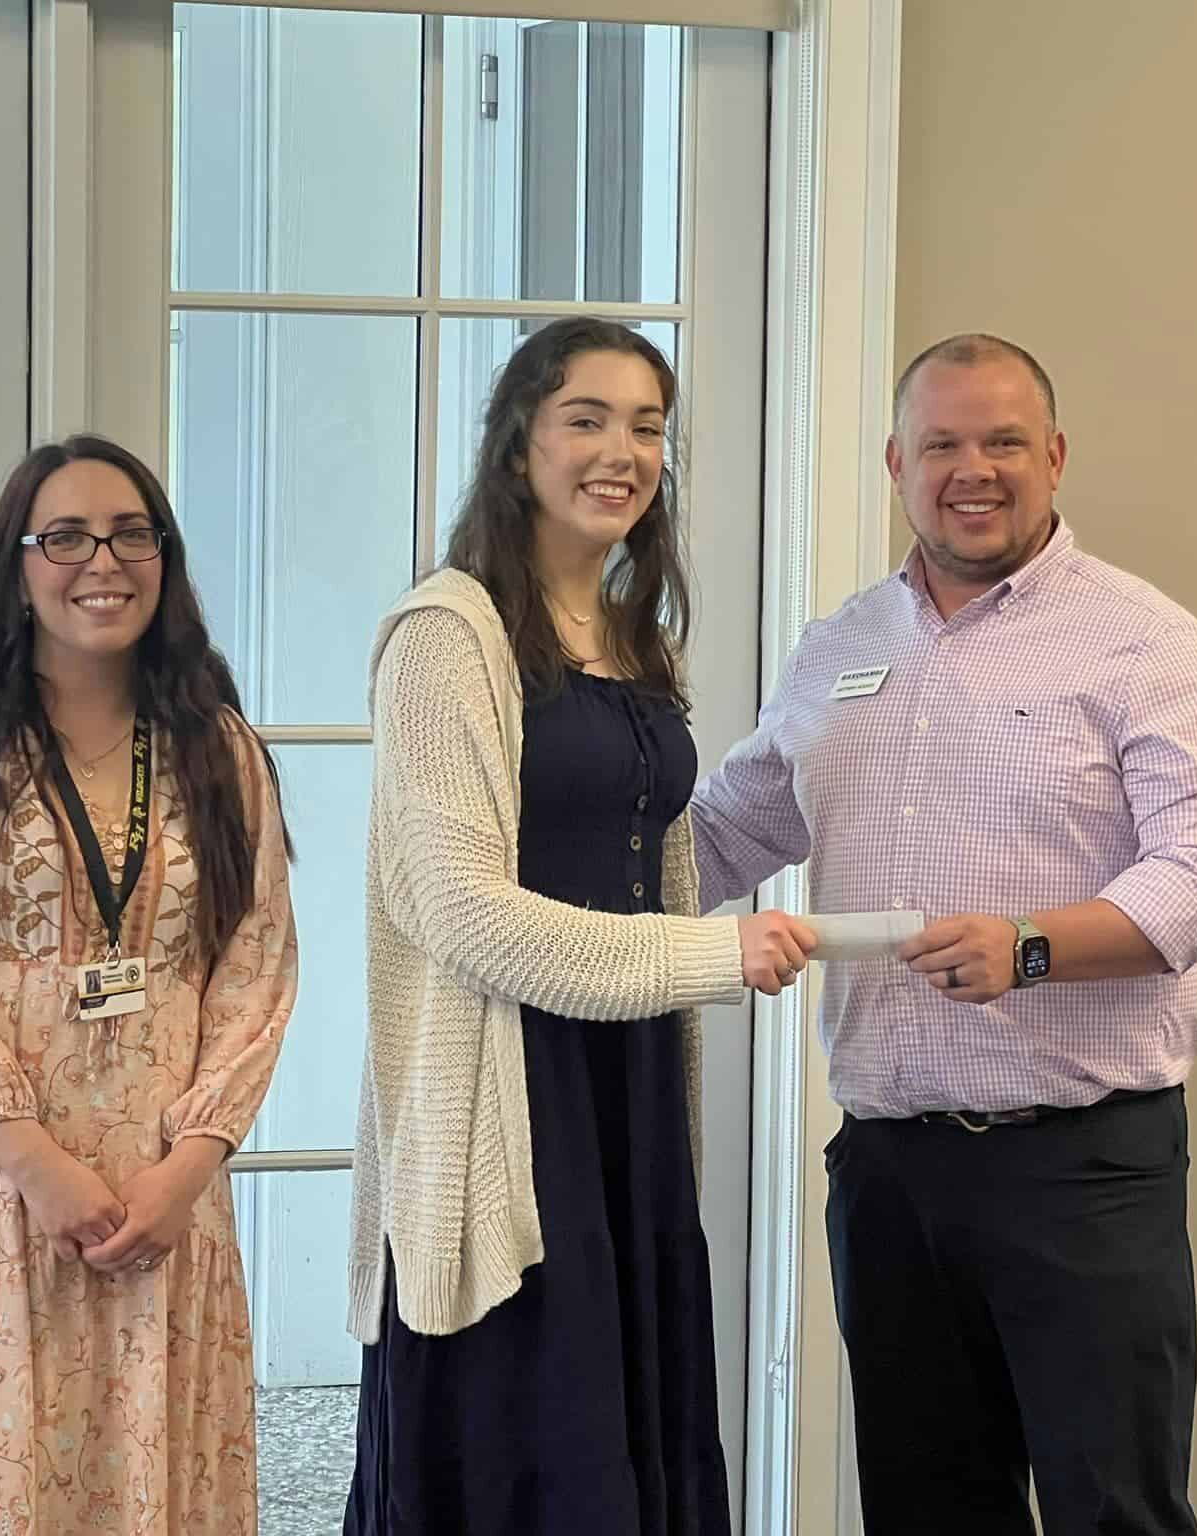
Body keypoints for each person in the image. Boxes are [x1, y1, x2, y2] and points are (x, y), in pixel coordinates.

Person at [691, 333, 1197, 1534]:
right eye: (944, 443)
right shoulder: (840, 645)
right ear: (897, 463)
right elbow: (731, 828)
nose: (975, 469)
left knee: (1114, 1509)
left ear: (1053, 458)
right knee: (926, 1507)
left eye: (1004, 441)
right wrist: (537, 892)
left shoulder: (1146, 642)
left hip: (1082, 1173)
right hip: (891, 1171)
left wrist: (1031, 947)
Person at [342, 317, 816, 1536]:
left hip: (629, 1087)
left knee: (628, 1445)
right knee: (526, 1456)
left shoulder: (633, 639)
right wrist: (716, 955)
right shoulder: (448, 637)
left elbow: (649, 866)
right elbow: (464, 915)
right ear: (518, 450)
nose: (624, 452)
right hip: (509, 1098)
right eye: (587, 420)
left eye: (648, 427)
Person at [0, 435, 298, 1533]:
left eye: (131, 533)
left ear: (165, 556)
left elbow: (257, 962)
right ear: (17, 562)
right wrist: (30, 1158)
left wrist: (190, 1163)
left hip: (169, 1194)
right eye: (64, 536)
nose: (101, 561)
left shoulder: (218, 747)